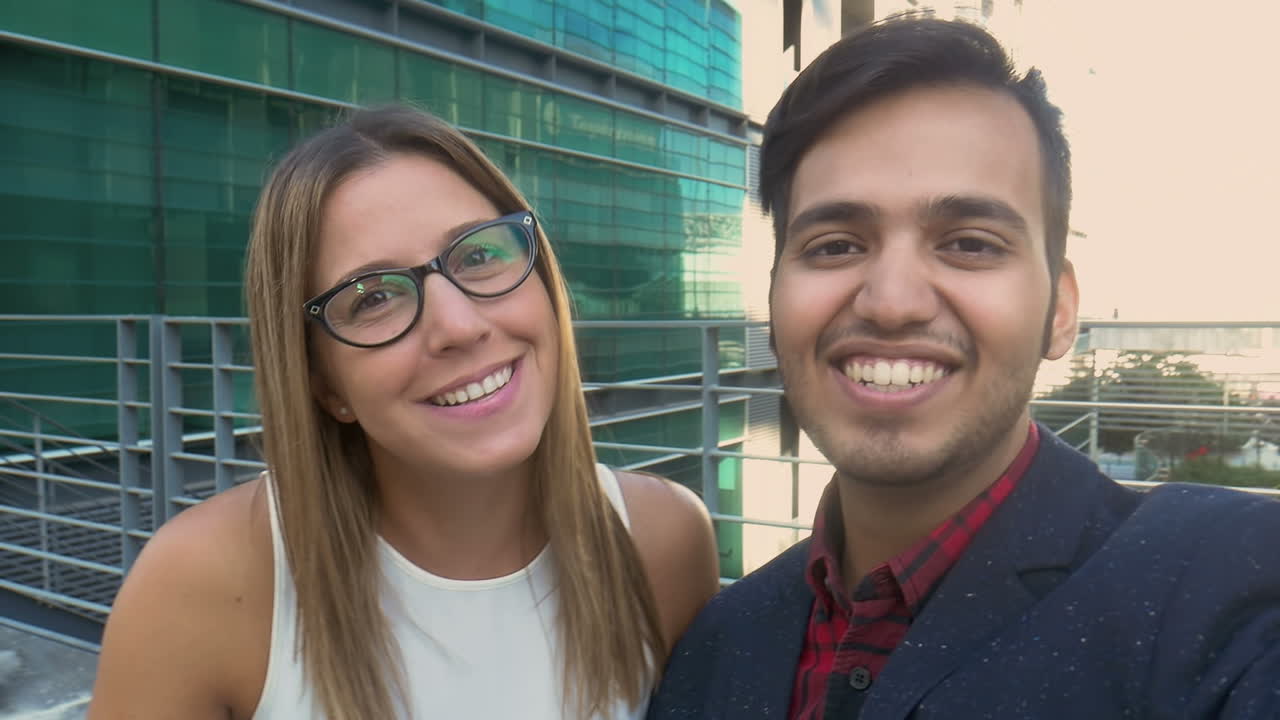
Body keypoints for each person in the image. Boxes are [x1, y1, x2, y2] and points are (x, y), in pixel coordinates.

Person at [648, 15, 1280, 720]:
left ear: (1060, 310)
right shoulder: (714, 646)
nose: (891, 303)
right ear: (772, 297)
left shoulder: (1229, 592)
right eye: (833, 245)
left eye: (970, 244)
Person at [88, 106, 720, 720]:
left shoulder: (663, 541)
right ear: (322, 383)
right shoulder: (203, 587)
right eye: (374, 298)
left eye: (477, 255)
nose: (459, 325)